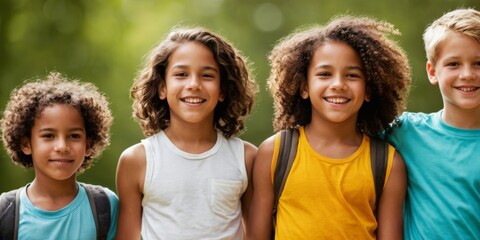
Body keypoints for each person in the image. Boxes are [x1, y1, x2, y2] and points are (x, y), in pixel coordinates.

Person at [248, 15, 411, 239]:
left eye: (352, 75)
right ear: (303, 86)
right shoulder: (274, 152)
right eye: (324, 74)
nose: (338, 85)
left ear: (368, 91)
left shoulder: (388, 163)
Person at [115, 26, 258, 239]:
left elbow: (256, 233)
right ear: (162, 88)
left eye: (207, 75)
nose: (194, 85)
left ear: (222, 90)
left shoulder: (246, 157)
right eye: (181, 74)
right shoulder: (136, 160)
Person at [387, 8, 480, 239]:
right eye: (454, 64)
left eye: (478, 63)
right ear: (432, 72)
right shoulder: (405, 131)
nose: (467, 74)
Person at [0, 72, 118, 239]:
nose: (62, 147)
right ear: (26, 144)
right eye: (48, 136)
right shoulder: (5, 211)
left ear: (88, 145)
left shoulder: (106, 206)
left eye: (74, 136)